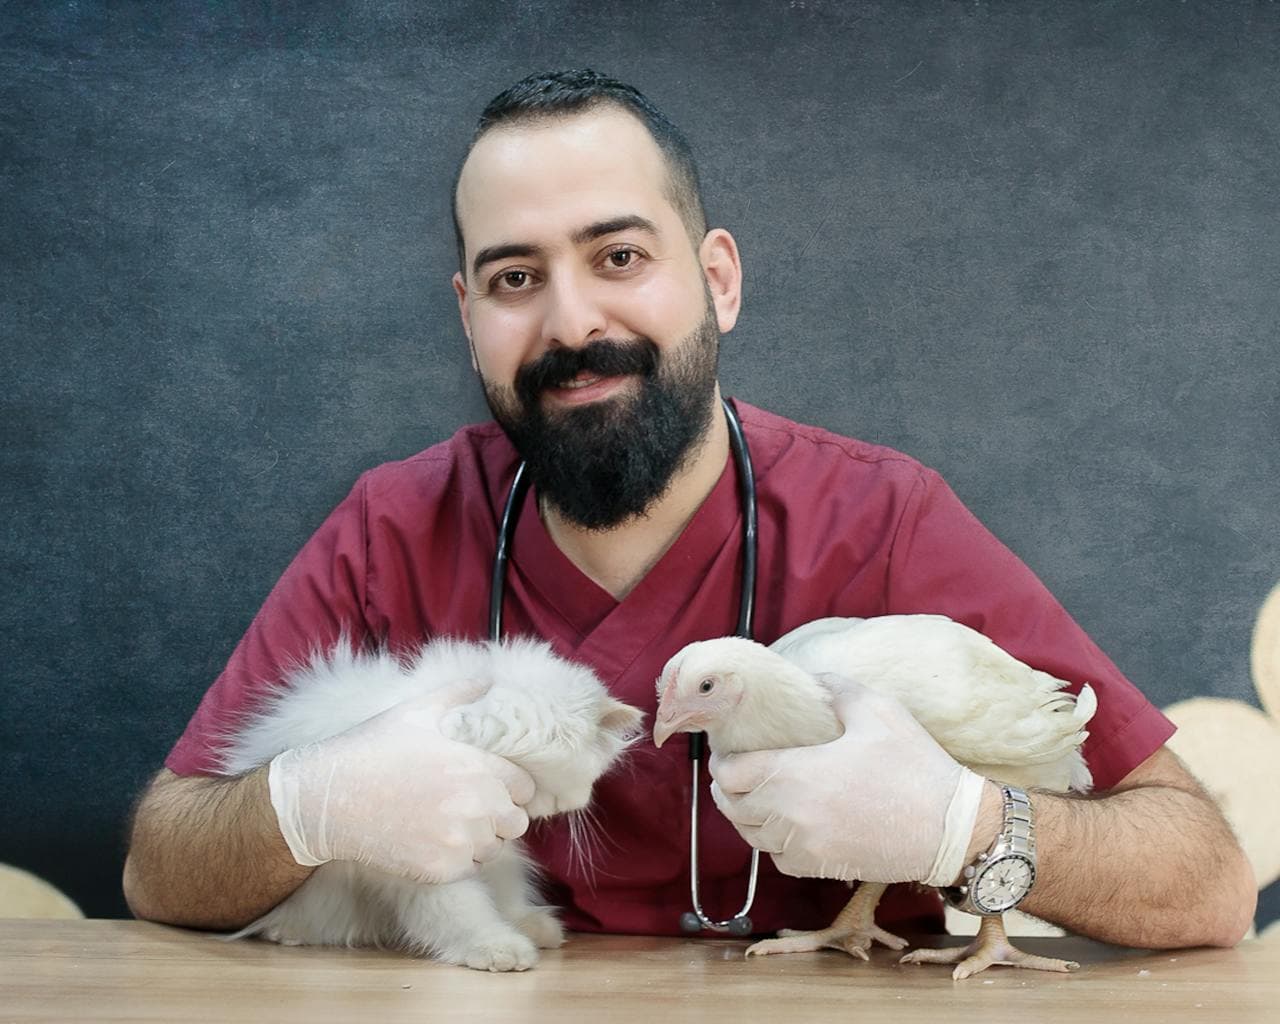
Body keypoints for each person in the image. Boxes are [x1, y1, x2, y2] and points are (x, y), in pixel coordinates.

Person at [123, 69, 1255, 949]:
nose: (571, 322)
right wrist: (307, 805)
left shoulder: (884, 520)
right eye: (515, 278)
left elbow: (1202, 879)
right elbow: (159, 866)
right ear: (468, 317)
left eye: (618, 254)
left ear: (717, 278)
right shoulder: (391, 529)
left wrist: (962, 824)